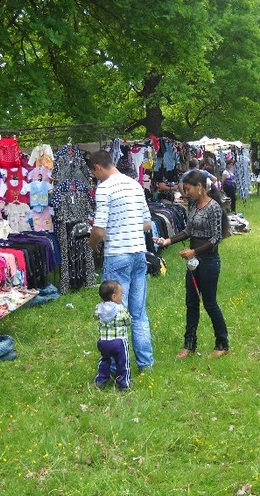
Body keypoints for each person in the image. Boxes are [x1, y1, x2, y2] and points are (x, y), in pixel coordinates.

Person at [88, 150, 155, 372]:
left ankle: (117, 368)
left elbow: (98, 230)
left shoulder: (104, 188)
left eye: (93, 173)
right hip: (138, 253)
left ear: (97, 167)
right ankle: (146, 364)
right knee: (138, 313)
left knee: (115, 314)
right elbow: (147, 224)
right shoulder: (135, 185)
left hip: (118, 255)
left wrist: (92, 245)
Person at [153, 170, 230, 358]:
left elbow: (216, 238)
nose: (186, 193)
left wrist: (194, 252)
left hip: (209, 260)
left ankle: (222, 344)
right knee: (191, 303)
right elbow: (188, 230)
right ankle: (189, 345)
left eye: (188, 189)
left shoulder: (214, 208)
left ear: (200, 187)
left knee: (210, 304)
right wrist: (167, 241)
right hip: (193, 261)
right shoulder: (194, 205)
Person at [93, 280, 131, 391]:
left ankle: (100, 380)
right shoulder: (120, 308)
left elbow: (95, 317)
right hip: (119, 342)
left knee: (105, 360)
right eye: (121, 294)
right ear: (114, 297)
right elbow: (128, 321)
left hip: (103, 342)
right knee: (123, 362)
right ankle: (124, 384)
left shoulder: (98, 308)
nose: (122, 297)